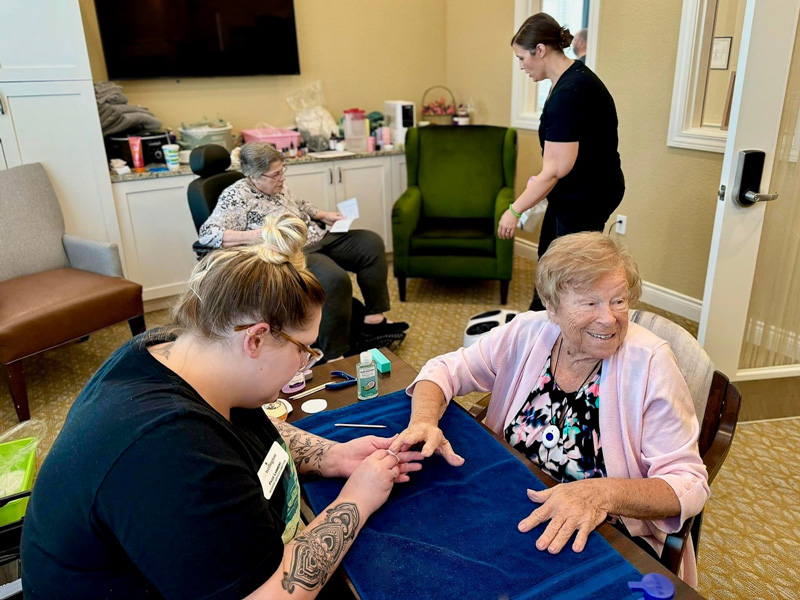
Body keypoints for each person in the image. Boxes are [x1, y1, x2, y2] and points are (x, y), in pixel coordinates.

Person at [21, 215, 424, 599]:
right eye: (305, 351)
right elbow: (266, 596)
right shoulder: (169, 450)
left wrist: (332, 456)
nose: (307, 364)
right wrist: (356, 500)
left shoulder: (179, 351)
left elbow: (239, 430)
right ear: (256, 339)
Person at [390, 233, 709, 586]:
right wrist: (423, 420)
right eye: (589, 304)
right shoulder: (529, 331)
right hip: (506, 498)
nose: (609, 319)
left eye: (618, 301)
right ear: (552, 306)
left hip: (598, 532)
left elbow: (688, 484)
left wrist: (600, 494)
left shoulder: (650, 363)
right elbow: (446, 369)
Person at [199, 142, 408, 360]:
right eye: (276, 174)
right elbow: (208, 233)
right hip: (296, 251)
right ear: (255, 176)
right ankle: (335, 354)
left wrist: (321, 214)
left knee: (370, 243)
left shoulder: (276, 185)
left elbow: (296, 204)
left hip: (319, 236)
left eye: (282, 171)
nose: (283, 178)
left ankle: (373, 320)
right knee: (335, 279)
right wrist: (262, 234)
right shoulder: (235, 196)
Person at [498, 13, 625, 311]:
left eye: (521, 57)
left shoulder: (570, 93)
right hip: (577, 190)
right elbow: (558, 161)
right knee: (549, 265)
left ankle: (563, 340)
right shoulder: (570, 80)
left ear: (540, 50)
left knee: (568, 279)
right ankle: (540, 323)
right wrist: (541, 182)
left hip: (586, 197)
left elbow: (556, 169)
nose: (521, 66)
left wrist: (514, 210)